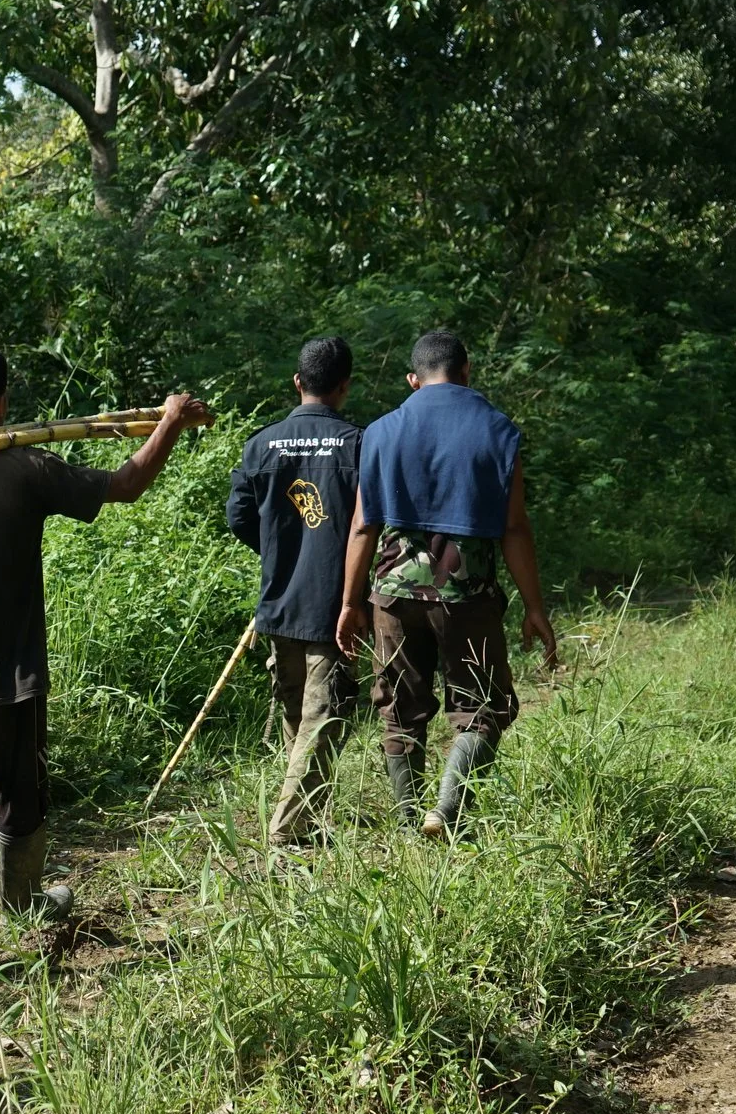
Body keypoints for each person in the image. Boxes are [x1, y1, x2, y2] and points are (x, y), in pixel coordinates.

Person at [0, 344, 211, 956]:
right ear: (2, 401)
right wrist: (169, 421)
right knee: (20, 788)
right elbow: (127, 485)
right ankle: (21, 904)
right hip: (13, 673)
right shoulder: (29, 467)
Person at [335, 331, 555, 837]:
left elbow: (364, 525)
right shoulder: (498, 430)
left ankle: (411, 826)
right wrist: (534, 606)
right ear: (466, 370)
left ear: (414, 379)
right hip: (468, 597)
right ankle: (448, 811)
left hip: (393, 594)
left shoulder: (381, 432)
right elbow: (515, 528)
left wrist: (351, 602)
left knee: (399, 711)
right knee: (482, 708)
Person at [227, 335, 362, 845]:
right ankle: (286, 833)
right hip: (334, 606)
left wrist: (278, 551)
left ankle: (307, 823)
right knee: (321, 719)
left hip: (279, 602)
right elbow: (372, 526)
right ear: (344, 386)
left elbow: (238, 515)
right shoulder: (357, 443)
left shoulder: (262, 444)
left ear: (298, 383)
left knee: (297, 717)